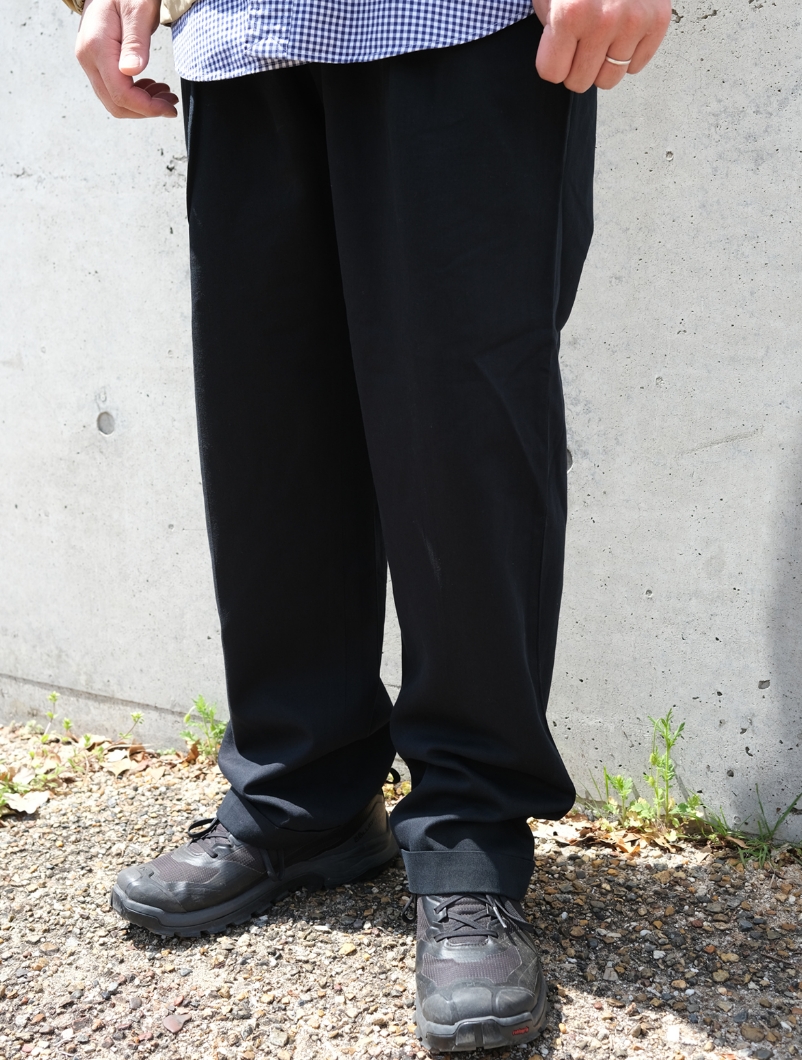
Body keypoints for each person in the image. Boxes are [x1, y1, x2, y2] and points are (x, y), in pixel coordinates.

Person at [67, 0, 670, 1050]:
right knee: (269, 434)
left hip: (464, 27)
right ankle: (302, 798)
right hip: (243, 35)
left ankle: (469, 840)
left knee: (463, 441)